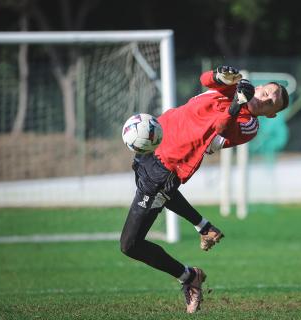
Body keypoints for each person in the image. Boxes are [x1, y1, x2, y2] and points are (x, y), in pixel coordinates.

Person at [120, 66, 289, 313]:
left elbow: (220, 130)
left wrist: (235, 105)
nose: (265, 98)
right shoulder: (235, 86)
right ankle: (204, 228)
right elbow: (205, 79)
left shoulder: (249, 126)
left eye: (271, 103)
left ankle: (189, 276)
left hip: (169, 164)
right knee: (153, 204)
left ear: (271, 115)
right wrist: (220, 74)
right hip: (156, 139)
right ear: (261, 86)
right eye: (268, 92)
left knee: (130, 244)